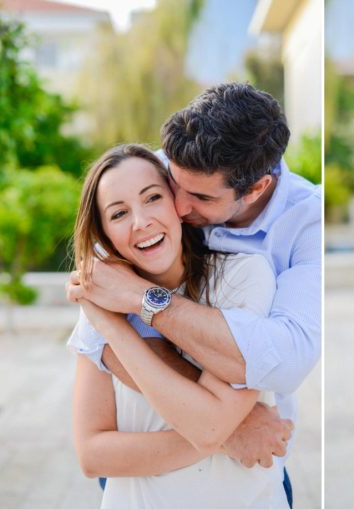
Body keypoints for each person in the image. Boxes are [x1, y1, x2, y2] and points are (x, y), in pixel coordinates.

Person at [66, 83, 321, 503]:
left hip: (246, 470)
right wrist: (225, 428)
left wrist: (129, 310)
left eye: (200, 197)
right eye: (171, 185)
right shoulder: (165, 169)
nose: (178, 208)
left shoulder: (297, 230)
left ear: (256, 188)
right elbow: (99, 268)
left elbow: (281, 362)